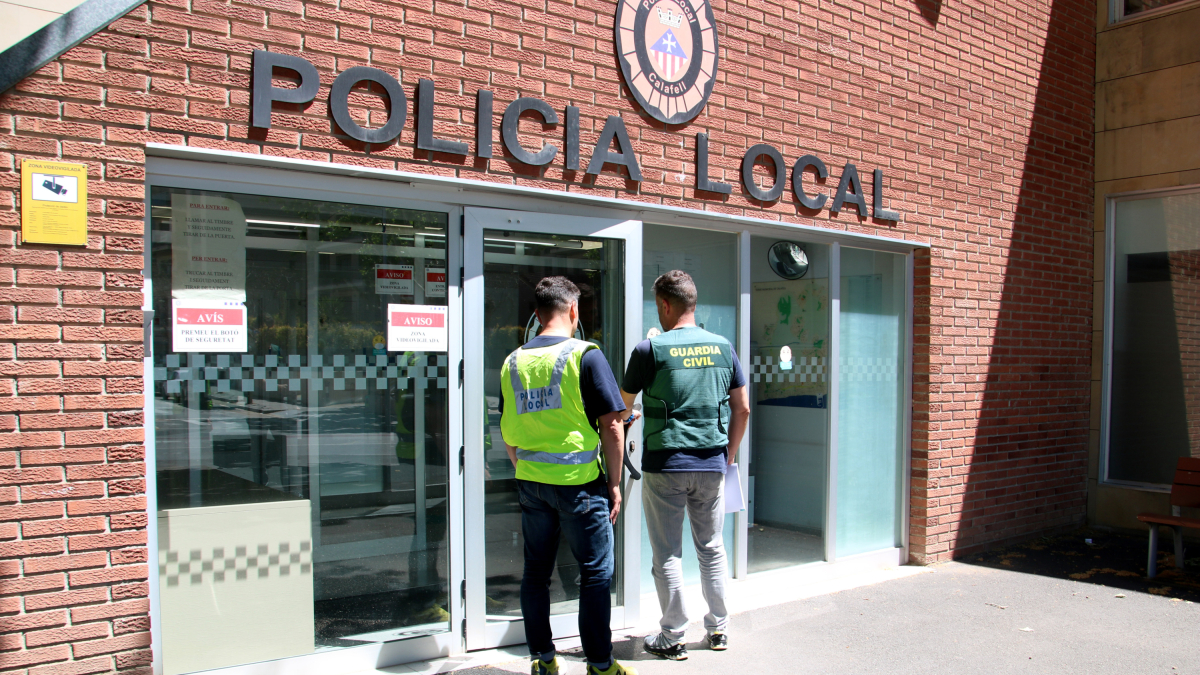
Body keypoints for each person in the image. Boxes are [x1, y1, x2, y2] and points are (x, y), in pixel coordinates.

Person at [499, 276, 638, 675]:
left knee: (536, 573)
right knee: (595, 573)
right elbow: (613, 426)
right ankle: (599, 664)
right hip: (579, 486)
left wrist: (526, 468)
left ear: (537, 314)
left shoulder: (513, 362)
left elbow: (508, 430)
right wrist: (613, 483)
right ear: (573, 311)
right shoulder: (585, 355)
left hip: (531, 484)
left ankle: (543, 661)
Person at [620, 270, 750, 660]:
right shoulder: (724, 347)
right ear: (693, 303)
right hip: (711, 461)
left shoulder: (650, 350)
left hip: (666, 463)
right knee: (711, 548)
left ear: (664, 304)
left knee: (668, 552)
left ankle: (673, 634)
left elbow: (622, 408)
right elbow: (741, 408)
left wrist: (634, 418)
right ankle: (719, 629)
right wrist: (728, 455)